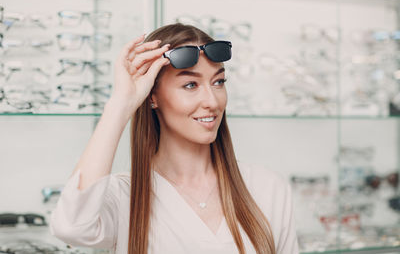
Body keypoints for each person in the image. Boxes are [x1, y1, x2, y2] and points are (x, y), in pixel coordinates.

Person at [49, 23, 299, 254]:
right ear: (151, 96)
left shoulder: (266, 188)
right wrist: (121, 104)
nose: (212, 101)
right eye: (190, 85)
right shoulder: (125, 196)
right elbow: (72, 227)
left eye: (219, 81)